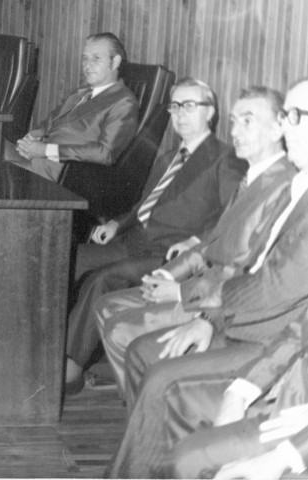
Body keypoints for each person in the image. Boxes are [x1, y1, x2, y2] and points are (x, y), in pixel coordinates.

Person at [106, 79, 308, 479]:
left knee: (161, 377)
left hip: (267, 336)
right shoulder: (296, 188)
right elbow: (236, 255)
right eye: (286, 115)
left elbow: (270, 286)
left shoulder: (284, 182)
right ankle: (145, 456)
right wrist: (204, 315)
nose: (287, 126)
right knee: (146, 357)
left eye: (295, 116)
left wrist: (196, 303)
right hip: (251, 320)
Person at [97, 85, 295, 395]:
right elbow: (211, 242)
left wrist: (180, 291)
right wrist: (168, 275)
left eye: (248, 121)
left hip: (221, 302)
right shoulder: (252, 176)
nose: (235, 131)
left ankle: (149, 404)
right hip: (203, 284)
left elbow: (245, 268)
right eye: (234, 121)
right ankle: (143, 402)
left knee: (121, 330)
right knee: (107, 308)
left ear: (277, 128)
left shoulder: (282, 184)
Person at [65, 77, 247, 393]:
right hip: (132, 241)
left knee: (102, 280)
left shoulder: (225, 158)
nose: (180, 114)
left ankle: (71, 368)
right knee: (69, 260)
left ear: (210, 112)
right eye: (175, 106)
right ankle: (49, 347)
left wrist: (195, 242)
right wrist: (116, 224)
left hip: (167, 255)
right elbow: (144, 204)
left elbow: (231, 219)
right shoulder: (168, 157)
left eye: (189, 105)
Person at [4, 32, 139, 182]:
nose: (87, 65)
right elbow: (49, 124)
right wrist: (30, 139)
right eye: (85, 58)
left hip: (63, 174)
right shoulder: (81, 93)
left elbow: (105, 153)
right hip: (38, 159)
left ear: (115, 62)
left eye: (96, 58)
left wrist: (46, 150)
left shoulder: (123, 102)